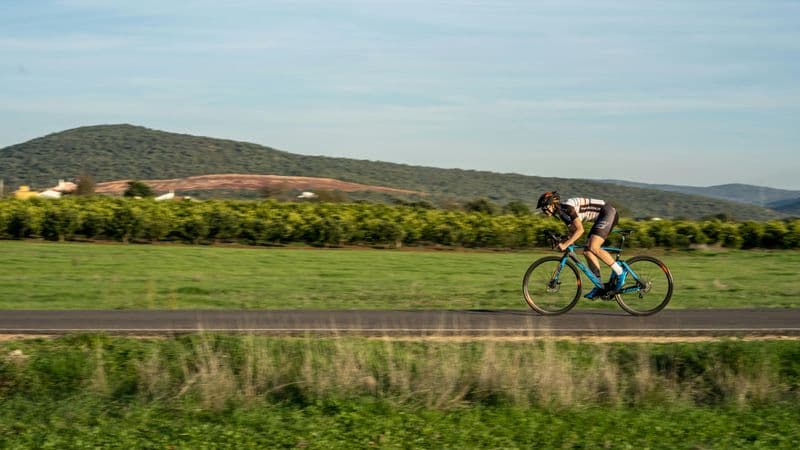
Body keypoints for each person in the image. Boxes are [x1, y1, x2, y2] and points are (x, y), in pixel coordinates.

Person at [536, 191, 626, 299]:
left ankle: (620, 272)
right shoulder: (561, 213)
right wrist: (561, 239)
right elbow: (572, 232)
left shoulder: (568, 208)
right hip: (600, 218)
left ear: (552, 204)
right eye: (542, 208)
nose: (544, 210)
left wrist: (565, 245)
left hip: (607, 213)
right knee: (587, 251)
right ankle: (599, 286)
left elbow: (580, 230)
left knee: (593, 246)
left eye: (545, 207)